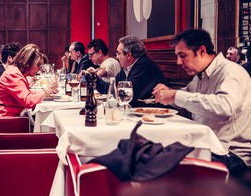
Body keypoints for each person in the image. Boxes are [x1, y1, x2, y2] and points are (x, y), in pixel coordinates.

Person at [153, 28, 251, 177]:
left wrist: (176, 96)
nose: (178, 62)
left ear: (202, 51)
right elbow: (186, 98)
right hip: (205, 145)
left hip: (230, 152)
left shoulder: (231, 72)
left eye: (183, 56)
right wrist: (168, 93)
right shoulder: (201, 75)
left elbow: (224, 107)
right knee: (155, 155)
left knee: (170, 172)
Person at [95, 35, 167, 107]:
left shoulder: (144, 65)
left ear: (128, 55)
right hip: (139, 111)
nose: (116, 57)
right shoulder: (126, 68)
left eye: (119, 53)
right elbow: (111, 89)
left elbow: (128, 94)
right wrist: (94, 79)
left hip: (155, 113)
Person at [0, 43, 58, 117]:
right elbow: (29, 102)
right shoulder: (13, 74)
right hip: (6, 120)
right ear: (28, 62)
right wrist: (48, 89)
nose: (40, 69)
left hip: (13, 117)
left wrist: (46, 92)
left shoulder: (16, 71)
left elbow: (26, 93)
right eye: (38, 65)